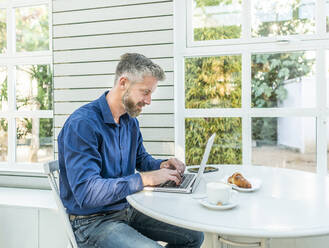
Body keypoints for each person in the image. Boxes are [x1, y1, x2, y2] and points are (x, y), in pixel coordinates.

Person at [57, 53, 204, 248]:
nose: (149, 100)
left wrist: (162, 165)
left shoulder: (129, 122)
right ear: (124, 83)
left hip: (127, 208)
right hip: (91, 222)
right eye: (145, 92)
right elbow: (87, 193)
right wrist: (147, 179)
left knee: (194, 235)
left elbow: (141, 159)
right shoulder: (82, 124)